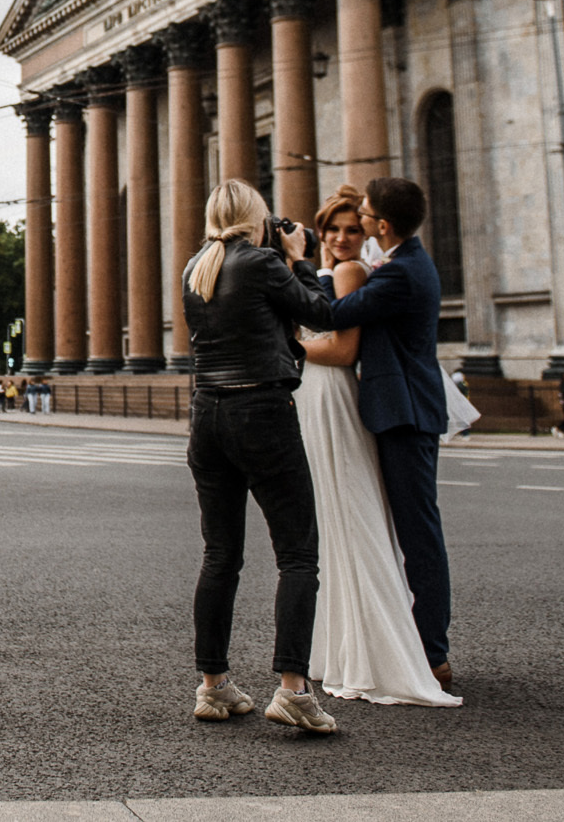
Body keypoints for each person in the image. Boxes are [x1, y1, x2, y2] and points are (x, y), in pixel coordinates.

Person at [182, 178, 340, 735]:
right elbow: (322, 314)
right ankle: (294, 690)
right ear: (258, 218)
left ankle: (213, 685)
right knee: (298, 555)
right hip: (262, 413)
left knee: (221, 555)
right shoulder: (260, 263)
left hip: (207, 416)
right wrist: (299, 260)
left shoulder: (196, 267)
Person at [295, 186, 460, 709]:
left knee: (419, 535)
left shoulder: (397, 274)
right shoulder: (402, 261)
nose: (356, 230)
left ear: (382, 226)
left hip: (404, 414)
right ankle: (418, 645)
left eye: (362, 219)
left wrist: (301, 269)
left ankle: (432, 653)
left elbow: (334, 318)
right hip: (396, 410)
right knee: (406, 529)